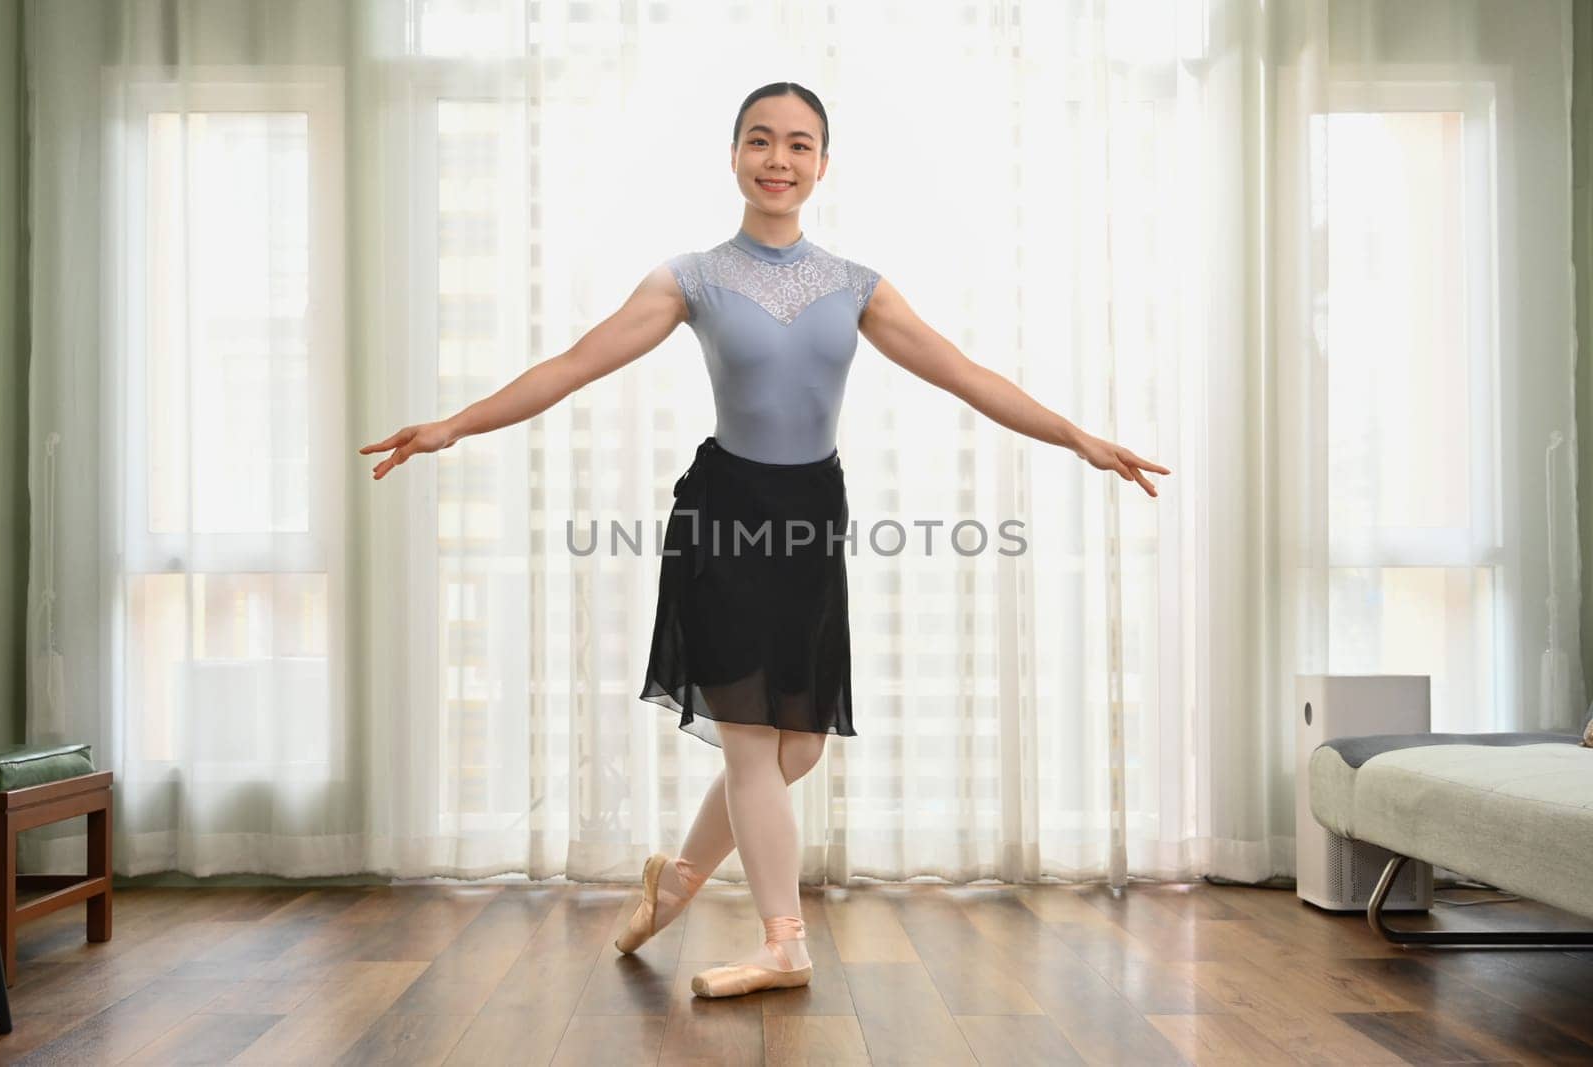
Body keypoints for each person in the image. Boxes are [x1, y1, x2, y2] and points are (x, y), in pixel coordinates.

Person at [360, 81, 1170, 1000]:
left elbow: (965, 374)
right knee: (751, 742)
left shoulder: (856, 284)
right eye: (759, 141)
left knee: (797, 749)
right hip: (726, 513)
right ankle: (785, 942)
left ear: (823, 163)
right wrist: (452, 425)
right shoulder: (691, 278)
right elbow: (573, 363)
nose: (777, 160)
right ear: (734, 154)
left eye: (797, 144)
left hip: (813, 518)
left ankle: (677, 882)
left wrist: (1078, 438)